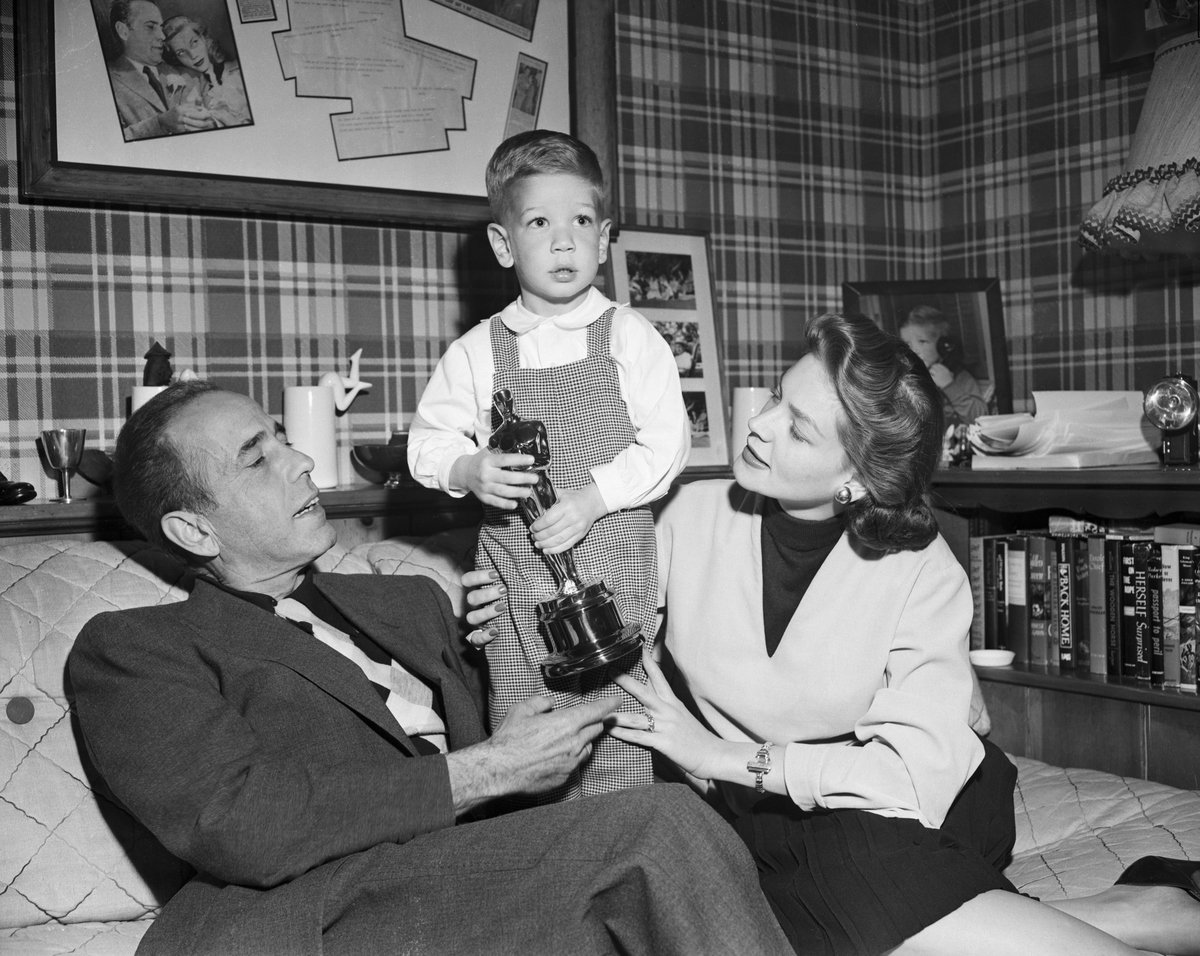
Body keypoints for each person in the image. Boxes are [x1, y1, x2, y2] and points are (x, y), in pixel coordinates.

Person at [466, 313, 1200, 956]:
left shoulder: (923, 569)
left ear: (858, 478)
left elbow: (912, 778)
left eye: (798, 427)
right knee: (757, 892)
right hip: (756, 809)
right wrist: (504, 597)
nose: (759, 425)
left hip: (907, 803)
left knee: (837, 861)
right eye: (777, 397)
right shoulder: (687, 514)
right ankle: (1134, 912)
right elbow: (595, 614)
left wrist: (719, 756)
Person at [67, 381, 793, 956]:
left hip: (469, 887)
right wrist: (488, 769)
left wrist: (510, 642)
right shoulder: (136, 649)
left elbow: (517, 744)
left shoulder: (407, 601)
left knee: (641, 873)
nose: (301, 462)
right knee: (660, 831)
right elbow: (239, 823)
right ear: (194, 529)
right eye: (257, 459)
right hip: (312, 918)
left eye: (284, 438)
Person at [408, 130, 690, 802]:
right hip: (515, 590)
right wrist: (468, 469)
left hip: (612, 575)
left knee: (622, 736)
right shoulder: (478, 350)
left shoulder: (630, 336)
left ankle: (624, 837)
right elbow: (426, 443)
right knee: (526, 746)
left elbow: (667, 444)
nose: (564, 242)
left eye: (581, 222)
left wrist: (593, 500)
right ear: (504, 244)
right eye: (539, 223)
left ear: (605, 239)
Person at [106, 0, 213, 141]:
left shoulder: (193, 75)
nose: (162, 36)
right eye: (150, 27)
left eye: (161, 28)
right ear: (123, 31)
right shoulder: (105, 83)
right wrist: (159, 124)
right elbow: (109, 141)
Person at [897, 305, 988, 425]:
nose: (914, 350)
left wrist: (950, 386)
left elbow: (981, 418)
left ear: (943, 345)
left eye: (922, 341)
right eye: (907, 344)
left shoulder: (960, 377)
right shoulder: (903, 380)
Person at [162, 15, 252, 129]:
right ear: (175, 58)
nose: (193, 55)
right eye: (181, 52)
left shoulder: (239, 70)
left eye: (194, 42)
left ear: (203, 38)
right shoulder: (188, 92)